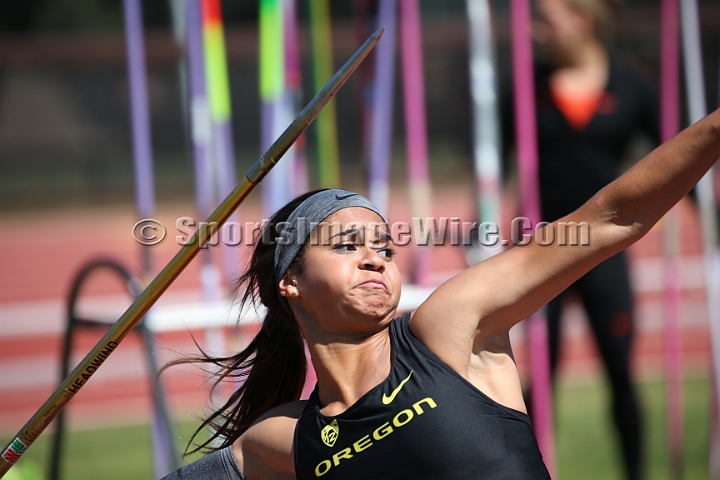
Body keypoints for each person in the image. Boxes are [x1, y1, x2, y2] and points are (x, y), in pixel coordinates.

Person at [161, 105, 720, 479]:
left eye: (384, 246)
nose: (375, 255)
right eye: (348, 244)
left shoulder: (446, 332)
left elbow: (611, 218)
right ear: (291, 283)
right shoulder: (287, 439)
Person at [503, 1, 659, 478]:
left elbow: (674, 156)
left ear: (582, 20)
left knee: (620, 372)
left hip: (604, 251)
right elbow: (499, 164)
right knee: (535, 381)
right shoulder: (526, 85)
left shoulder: (631, 85)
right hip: (543, 250)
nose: (534, 31)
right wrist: (482, 224)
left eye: (545, 20)